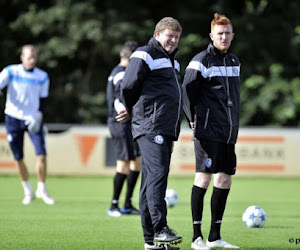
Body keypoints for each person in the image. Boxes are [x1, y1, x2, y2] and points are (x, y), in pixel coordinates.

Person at [117, 17, 183, 250]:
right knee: (158, 176)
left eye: (176, 37)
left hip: (165, 128)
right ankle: (160, 229)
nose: (173, 40)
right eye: (169, 36)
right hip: (151, 126)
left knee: (149, 183)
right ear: (157, 34)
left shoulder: (173, 62)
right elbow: (127, 85)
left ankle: (151, 243)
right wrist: (132, 108)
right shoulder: (144, 54)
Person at [182, 13, 241, 249]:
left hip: (228, 132)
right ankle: (196, 237)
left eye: (227, 33)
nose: (224, 37)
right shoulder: (201, 61)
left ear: (232, 35)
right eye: (220, 34)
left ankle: (214, 236)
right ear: (211, 36)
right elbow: (187, 91)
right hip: (207, 130)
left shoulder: (235, 62)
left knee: (225, 179)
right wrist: (192, 119)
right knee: (204, 178)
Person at [0, 44, 55, 205]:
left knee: (42, 154)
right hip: (13, 118)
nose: (32, 59)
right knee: (18, 157)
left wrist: (38, 114)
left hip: (33, 119)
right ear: (22, 57)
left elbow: (43, 100)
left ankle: (41, 189)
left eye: (34, 57)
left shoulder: (42, 76)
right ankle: (27, 190)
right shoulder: (11, 71)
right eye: (29, 56)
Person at [106, 41, 141, 217]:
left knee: (137, 161)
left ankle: (127, 203)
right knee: (124, 163)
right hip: (119, 122)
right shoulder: (120, 74)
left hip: (128, 124)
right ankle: (113, 205)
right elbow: (119, 99)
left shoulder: (118, 72)